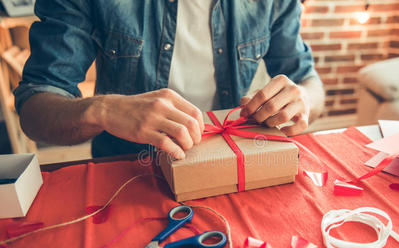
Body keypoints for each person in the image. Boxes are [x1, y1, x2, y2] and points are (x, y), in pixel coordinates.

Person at [14, 0, 324, 159]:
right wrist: (102, 110)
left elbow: (311, 84)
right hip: (127, 172)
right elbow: (34, 108)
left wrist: (303, 100)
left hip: (227, 167)